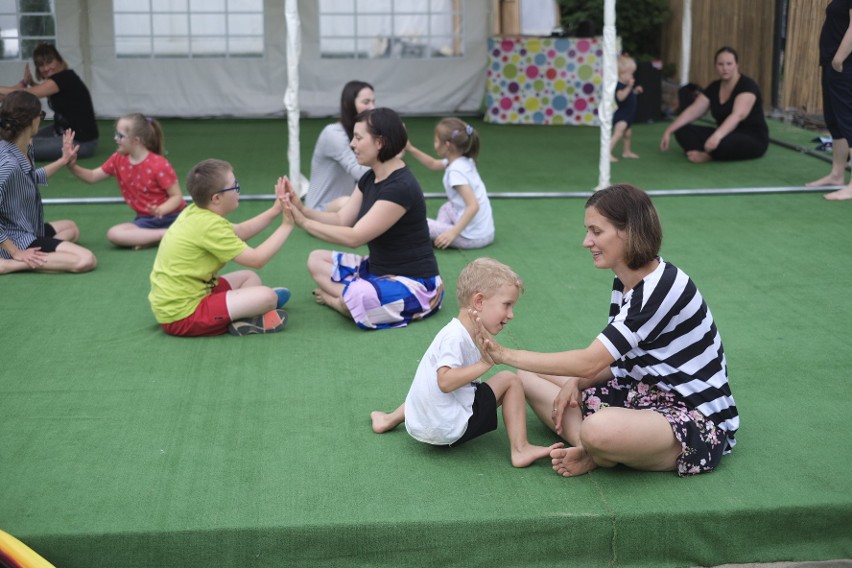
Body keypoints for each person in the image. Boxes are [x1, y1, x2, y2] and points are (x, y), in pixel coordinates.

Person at [474, 184, 739, 478]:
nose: (587, 241)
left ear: (628, 232)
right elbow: (621, 363)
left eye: (596, 231)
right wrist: (576, 381)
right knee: (528, 377)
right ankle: (590, 450)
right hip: (643, 393)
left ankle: (597, 446)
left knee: (599, 428)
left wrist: (505, 354)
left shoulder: (660, 288)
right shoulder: (625, 280)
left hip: (694, 416)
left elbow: (591, 362)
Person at [370, 257, 563, 467]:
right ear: (478, 301)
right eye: (507, 305)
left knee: (427, 377)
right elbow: (444, 382)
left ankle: (388, 419)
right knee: (510, 380)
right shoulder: (455, 337)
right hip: (448, 427)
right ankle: (521, 448)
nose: (511, 315)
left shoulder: (462, 332)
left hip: (424, 422)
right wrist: (485, 363)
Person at [282, 107, 443, 331]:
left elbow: (355, 237)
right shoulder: (370, 177)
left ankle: (339, 302)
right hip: (375, 271)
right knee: (316, 259)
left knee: (359, 295)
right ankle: (356, 301)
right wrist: (302, 209)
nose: (352, 144)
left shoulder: (400, 187)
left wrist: (304, 223)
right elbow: (340, 219)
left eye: (358, 138)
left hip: (413, 284)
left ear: (380, 143)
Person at [148, 159, 293, 337]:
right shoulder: (209, 226)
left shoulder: (195, 211)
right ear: (216, 198)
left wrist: (275, 210)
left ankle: (248, 312)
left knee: (249, 278)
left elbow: (239, 231)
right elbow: (257, 259)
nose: (238, 189)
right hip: (183, 317)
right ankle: (252, 312)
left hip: (191, 296)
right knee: (267, 297)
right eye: (235, 186)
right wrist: (286, 226)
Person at [0, 90, 97, 274]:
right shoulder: (7, 163)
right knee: (85, 259)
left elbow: (30, 178)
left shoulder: (24, 146)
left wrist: (63, 160)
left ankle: (39, 253)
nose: (42, 119)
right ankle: (9, 263)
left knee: (71, 228)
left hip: (28, 227)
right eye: (41, 114)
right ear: (30, 121)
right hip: (15, 239)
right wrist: (16, 252)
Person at [65, 113, 185, 249]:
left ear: (136, 140)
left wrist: (161, 210)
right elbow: (92, 176)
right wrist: (72, 166)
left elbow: (176, 196)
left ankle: (153, 237)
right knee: (114, 234)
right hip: (146, 221)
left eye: (120, 136)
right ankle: (165, 235)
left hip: (175, 217)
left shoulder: (159, 164)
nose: (115, 138)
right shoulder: (118, 159)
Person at [659, 46, 768, 163]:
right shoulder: (714, 87)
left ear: (737, 65)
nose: (725, 68)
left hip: (752, 138)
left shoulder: (747, 85)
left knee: (722, 144)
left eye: (729, 64)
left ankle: (708, 155)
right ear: (716, 66)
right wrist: (669, 130)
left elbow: (738, 115)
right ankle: (706, 151)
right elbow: (693, 110)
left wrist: (717, 136)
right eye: (720, 64)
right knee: (682, 130)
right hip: (725, 133)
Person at [404, 117, 495, 249]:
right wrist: (410, 148)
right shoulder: (463, 160)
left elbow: (473, 206)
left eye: (436, 141)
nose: (434, 144)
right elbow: (433, 164)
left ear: (447, 145)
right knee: (447, 207)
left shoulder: (456, 172)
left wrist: (452, 233)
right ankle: (439, 235)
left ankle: (441, 235)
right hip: (486, 231)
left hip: (472, 237)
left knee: (419, 224)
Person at [0, 43, 98, 162]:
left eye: (49, 62)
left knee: (19, 147)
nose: (46, 68)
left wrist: (24, 86)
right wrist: (29, 82)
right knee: (18, 137)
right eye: (41, 65)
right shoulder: (61, 80)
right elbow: (38, 90)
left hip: (81, 142)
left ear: (59, 60)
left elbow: (30, 93)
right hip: (60, 131)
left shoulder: (64, 78)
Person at [304, 80, 375, 212]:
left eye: (373, 102)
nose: (372, 107)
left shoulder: (359, 134)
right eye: (366, 102)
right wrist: (392, 153)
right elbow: (360, 172)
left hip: (347, 207)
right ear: (348, 104)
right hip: (318, 211)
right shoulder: (333, 134)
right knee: (350, 203)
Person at [807, 0, 852, 200]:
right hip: (832, 65)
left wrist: (838, 59)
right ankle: (837, 174)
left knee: (848, 121)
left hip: (845, 65)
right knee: (835, 120)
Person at [610, 54, 644, 162]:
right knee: (618, 134)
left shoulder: (626, 85)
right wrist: (630, 87)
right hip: (622, 115)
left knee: (627, 135)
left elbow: (629, 96)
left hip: (628, 114)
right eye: (630, 74)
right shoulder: (619, 85)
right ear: (621, 74)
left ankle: (626, 152)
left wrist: (635, 91)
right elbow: (621, 97)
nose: (632, 77)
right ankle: (606, 153)